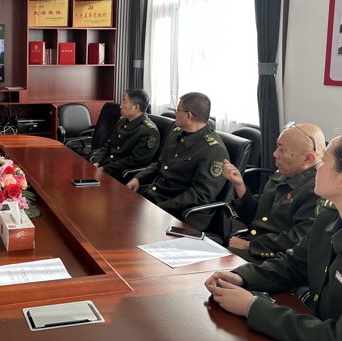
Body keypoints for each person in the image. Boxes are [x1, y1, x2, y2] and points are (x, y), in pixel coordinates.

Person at [205, 136, 342, 341]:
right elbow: (293, 265)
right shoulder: (327, 217)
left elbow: (334, 337)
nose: (317, 168)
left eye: (323, 162)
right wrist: (241, 277)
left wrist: (252, 307)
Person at [223, 122, 325, 263]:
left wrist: (250, 245)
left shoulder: (318, 190)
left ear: (308, 159)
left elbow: (298, 239)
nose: (275, 153)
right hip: (254, 246)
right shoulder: (285, 174)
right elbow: (257, 218)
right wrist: (239, 185)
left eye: (282, 149)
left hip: (275, 259)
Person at [126, 92, 228, 231]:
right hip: (157, 198)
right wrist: (138, 178)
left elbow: (200, 195)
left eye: (177, 110)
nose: (175, 114)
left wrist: (160, 208)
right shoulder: (176, 133)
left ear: (188, 115)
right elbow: (161, 164)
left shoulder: (213, 150)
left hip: (181, 212)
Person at [92, 89, 160, 181]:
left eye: (124, 102)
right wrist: (96, 161)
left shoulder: (149, 131)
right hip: (106, 166)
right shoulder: (122, 121)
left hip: (120, 175)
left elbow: (134, 162)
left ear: (135, 107)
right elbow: (109, 144)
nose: (120, 106)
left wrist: (104, 169)